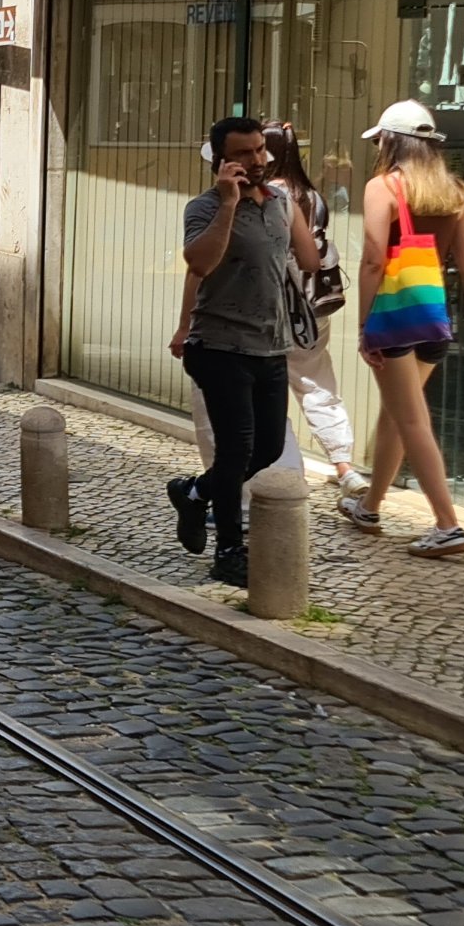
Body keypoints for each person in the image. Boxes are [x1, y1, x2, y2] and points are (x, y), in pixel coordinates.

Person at [166, 115, 322, 589]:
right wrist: (230, 205)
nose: (256, 160)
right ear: (221, 160)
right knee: (236, 449)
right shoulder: (204, 208)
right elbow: (200, 263)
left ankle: (194, 493)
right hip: (219, 345)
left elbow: (309, 260)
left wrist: (304, 215)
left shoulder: (280, 203)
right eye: (244, 153)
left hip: (271, 345)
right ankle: (229, 550)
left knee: (269, 445)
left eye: (260, 150)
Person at [351, 101, 464, 558]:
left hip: (393, 317)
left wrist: (364, 324)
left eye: (380, 138)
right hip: (433, 319)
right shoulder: (456, 192)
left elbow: (373, 260)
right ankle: (370, 505)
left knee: (412, 419)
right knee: (398, 414)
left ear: (390, 141)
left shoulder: (382, 188)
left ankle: (446, 523)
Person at [265, 124, 366, 497]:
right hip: (313, 306)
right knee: (319, 384)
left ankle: (282, 468)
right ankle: (344, 465)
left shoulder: (273, 195)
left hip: (277, 307)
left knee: (268, 390)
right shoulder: (311, 194)